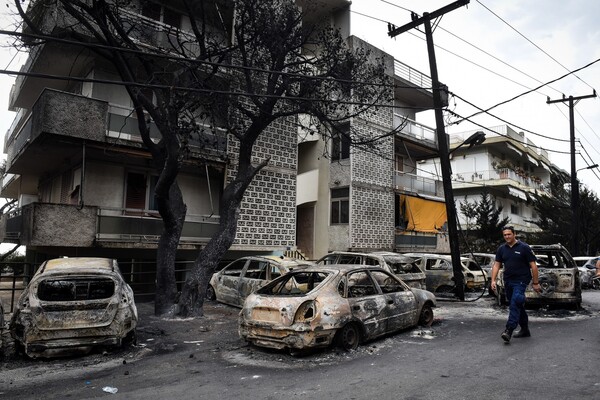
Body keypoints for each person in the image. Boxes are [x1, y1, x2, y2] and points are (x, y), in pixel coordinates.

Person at [490, 226, 541, 343]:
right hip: (508, 281)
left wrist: (536, 283)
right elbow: (497, 265)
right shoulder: (502, 249)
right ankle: (525, 329)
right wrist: (493, 280)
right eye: (505, 235)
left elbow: (533, 266)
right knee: (517, 304)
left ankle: (509, 330)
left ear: (514, 234)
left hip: (521, 280)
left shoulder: (524, 248)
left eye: (509, 234)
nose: (507, 237)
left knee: (516, 301)